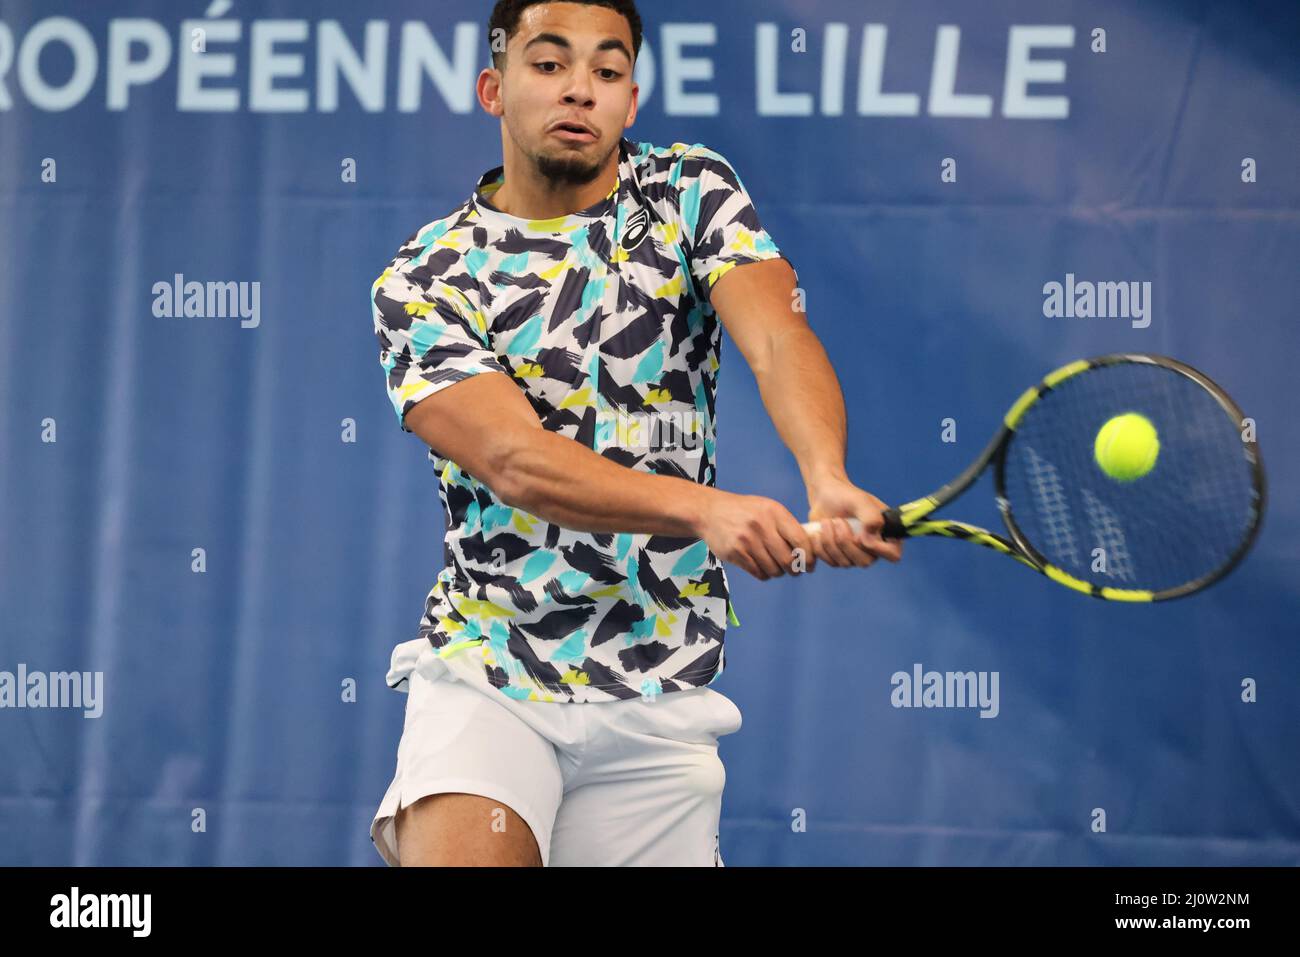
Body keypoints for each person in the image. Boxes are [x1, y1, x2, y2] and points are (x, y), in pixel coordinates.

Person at [369, 0, 901, 867]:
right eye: (550, 65)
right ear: (493, 89)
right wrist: (705, 511)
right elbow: (514, 461)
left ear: (632, 98)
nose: (580, 90)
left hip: (661, 686)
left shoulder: (689, 192)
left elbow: (775, 336)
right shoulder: (425, 278)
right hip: (492, 663)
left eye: (607, 71)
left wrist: (826, 474)